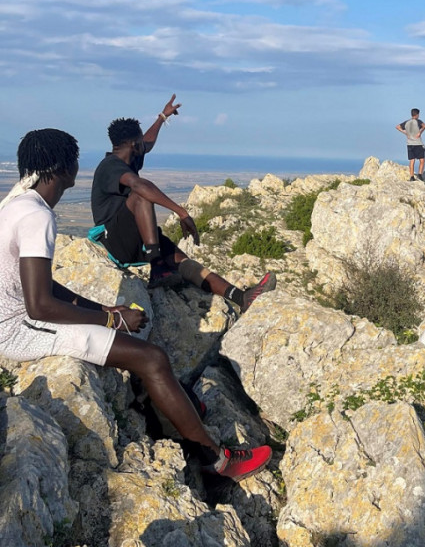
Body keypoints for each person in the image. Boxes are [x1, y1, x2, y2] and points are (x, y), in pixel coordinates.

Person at [0, 129, 271, 481]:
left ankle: (176, 409)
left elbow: (41, 282)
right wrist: (109, 320)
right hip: (18, 328)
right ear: (64, 167)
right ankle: (217, 461)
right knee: (151, 358)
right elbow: (39, 305)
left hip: (19, 316)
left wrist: (104, 310)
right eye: (75, 159)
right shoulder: (38, 217)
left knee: (138, 347)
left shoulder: (16, 203)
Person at [90, 94, 275, 312]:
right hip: (112, 240)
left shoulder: (131, 155)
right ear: (133, 144)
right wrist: (181, 212)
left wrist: (162, 117)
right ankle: (157, 266)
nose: (144, 144)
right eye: (139, 141)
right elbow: (139, 187)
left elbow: (147, 142)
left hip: (134, 238)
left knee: (184, 263)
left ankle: (241, 297)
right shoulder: (110, 166)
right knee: (141, 195)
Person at [395, 108, 425, 182]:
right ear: (417, 114)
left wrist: (405, 133)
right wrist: (420, 132)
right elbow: (424, 126)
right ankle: (420, 174)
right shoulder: (418, 121)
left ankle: (412, 176)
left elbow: (397, 127)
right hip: (418, 143)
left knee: (412, 160)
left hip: (409, 143)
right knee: (422, 160)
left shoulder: (407, 122)